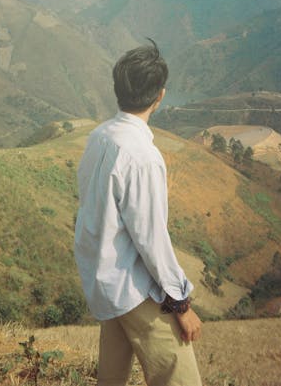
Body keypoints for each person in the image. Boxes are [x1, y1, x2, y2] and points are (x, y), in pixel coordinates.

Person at [74, 39, 202, 386]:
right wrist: (181, 304)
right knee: (180, 377)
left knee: (111, 379)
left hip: (105, 280)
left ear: (118, 89)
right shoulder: (142, 157)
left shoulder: (99, 138)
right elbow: (152, 240)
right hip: (134, 290)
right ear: (160, 96)